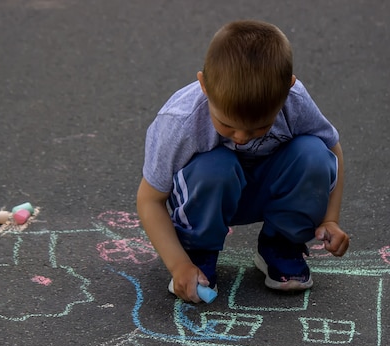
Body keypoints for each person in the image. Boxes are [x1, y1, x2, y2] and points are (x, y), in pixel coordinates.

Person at [137, 20, 349, 303]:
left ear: (288, 89)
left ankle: (280, 244)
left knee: (313, 152)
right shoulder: (180, 121)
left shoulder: (295, 101)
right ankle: (197, 254)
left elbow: (332, 149)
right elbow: (150, 199)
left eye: (259, 127)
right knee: (215, 166)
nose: (241, 139)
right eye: (226, 124)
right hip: (211, 195)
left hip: (270, 190)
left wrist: (330, 220)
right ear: (204, 86)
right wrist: (178, 264)